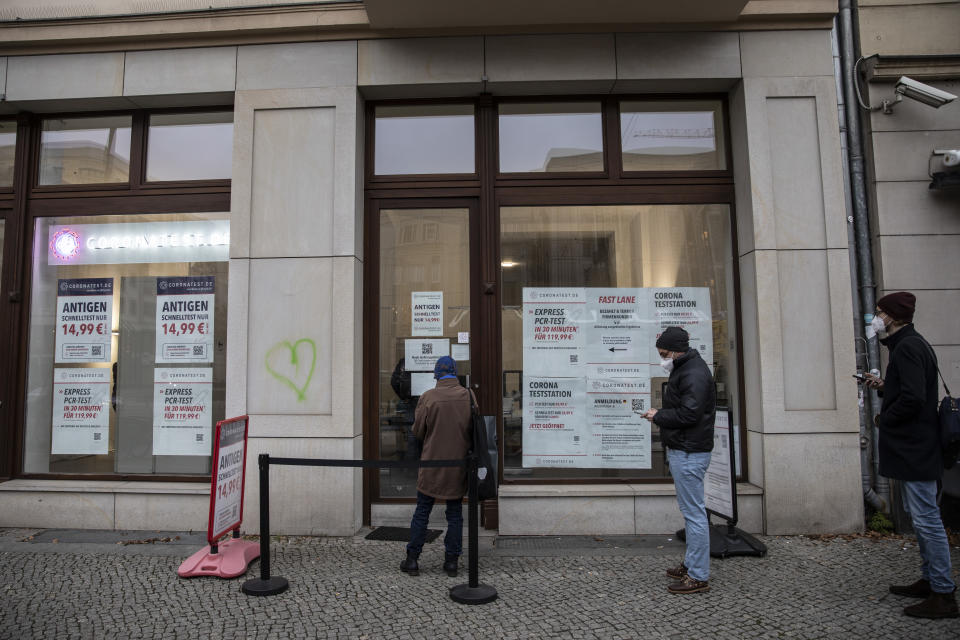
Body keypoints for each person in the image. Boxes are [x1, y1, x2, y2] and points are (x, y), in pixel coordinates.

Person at [861, 291, 957, 618]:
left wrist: (883, 418)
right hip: (915, 446)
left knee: (927, 519)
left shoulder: (908, 348)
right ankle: (931, 580)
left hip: (916, 447)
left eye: (879, 312)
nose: (876, 317)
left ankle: (943, 593)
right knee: (921, 516)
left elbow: (914, 399)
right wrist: (885, 385)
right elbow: (910, 389)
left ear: (892, 316)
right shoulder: (910, 346)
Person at [642, 326, 716, 594]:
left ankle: (698, 576)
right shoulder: (686, 368)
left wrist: (657, 416)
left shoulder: (693, 373)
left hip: (689, 452)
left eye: (663, 352)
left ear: (676, 350)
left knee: (694, 515)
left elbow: (689, 415)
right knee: (691, 513)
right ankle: (691, 564)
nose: (662, 357)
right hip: (685, 448)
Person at [400, 355, 472, 578]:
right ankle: (451, 562)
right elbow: (473, 431)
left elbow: (417, 431)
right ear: (455, 372)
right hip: (457, 465)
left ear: (437, 374)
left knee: (422, 512)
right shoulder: (468, 396)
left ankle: (413, 560)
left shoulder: (428, 397)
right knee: (455, 514)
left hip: (432, 464)